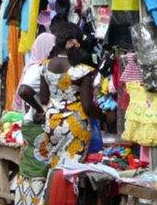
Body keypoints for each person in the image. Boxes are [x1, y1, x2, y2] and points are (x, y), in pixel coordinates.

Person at [40, 23, 114, 169]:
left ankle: (55, 192)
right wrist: (106, 118)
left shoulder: (45, 67)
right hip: (76, 126)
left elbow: (43, 99)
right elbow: (87, 107)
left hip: (52, 123)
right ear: (77, 43)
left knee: (56, 167)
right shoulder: (82, 71)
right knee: (73, 172)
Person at [13, 32, 55, 205]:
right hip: (37, 125)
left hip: (30, 124)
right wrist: (41, 110)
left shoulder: (33, 67)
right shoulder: (40, 69)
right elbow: (24, 91)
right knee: (39, 172)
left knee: (28, 171)